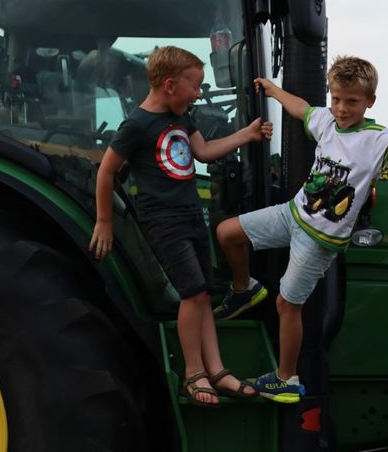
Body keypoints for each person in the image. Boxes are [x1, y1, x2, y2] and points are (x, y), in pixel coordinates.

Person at [213, 56, 388, 404]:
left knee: (286, 304)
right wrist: (274, 89)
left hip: (319, 240)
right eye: (337, 99)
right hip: (293, 215)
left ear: (369, 101)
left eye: (352, 101)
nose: (341, 108)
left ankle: (286, 379)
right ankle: (243, 289)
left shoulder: (375, 140)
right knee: (226, 233)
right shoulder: (325, 120)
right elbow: (301, 109)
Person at [88, 45, 272, 408]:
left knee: (203, 294)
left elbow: (202, 153)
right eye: (195, 86)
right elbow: (107, 171)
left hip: (191, 214)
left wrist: (246, 135)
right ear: (170, 85)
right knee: (192, 292)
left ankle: (217, 370)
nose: (199, 93)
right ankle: (193, 373)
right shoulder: (136, 125)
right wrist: (104, 220)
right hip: (163, 220)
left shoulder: (182, 117)